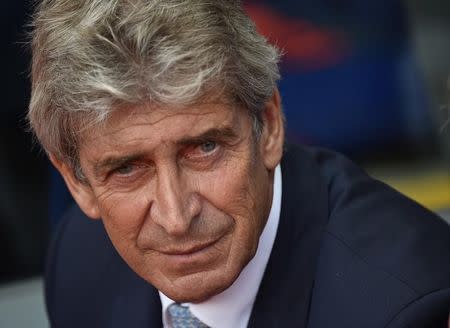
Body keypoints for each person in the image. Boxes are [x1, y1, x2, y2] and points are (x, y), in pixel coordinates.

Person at [28, 1, 450, 327]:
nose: (175, 218)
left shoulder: (407, 307)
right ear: (77, 182)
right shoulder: (79, 258)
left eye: (205, 148)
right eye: (127, 169)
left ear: (268, 126)